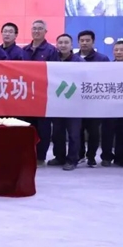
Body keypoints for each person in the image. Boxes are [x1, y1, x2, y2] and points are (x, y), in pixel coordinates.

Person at [22, 20, 58, 166]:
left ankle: (40, 157)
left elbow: (55, 72)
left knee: (43, 129)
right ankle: (27, 155)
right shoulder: (24, 50)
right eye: (34, 28)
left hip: (44, 96)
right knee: (28, 127)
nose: (36, 31)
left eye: (40, 29)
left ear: (45, 32)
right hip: (26, 95)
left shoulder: (51, 51)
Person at [47, 34, 83, 171]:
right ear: (56, 45)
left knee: (73, 133)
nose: (63, 45)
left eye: (66, 42)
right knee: (57, 132)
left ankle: (72, 160)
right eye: (60, 42)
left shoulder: (79, 61)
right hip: (57, 102)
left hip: (74, 103)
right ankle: (59, 157)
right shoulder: (52, 59)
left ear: (72, 45)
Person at [77, 30, 109, 167]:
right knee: (77, 131)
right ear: (78, 42)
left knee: (94, 132)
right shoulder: (73, 58)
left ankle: (91, 157)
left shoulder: (102, 59)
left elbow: (107, 78)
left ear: (93, 42)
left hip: (95, 102)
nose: (84, 43)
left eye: (87, 40)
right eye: (82, 40)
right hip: (76, 102)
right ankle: (79, 155)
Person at [100, 40, 123, 169]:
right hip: (109, 106)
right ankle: (106, 157)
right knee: (107, 133)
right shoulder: (106, 68)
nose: (118, 52)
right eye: (116, 50)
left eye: (122, 50)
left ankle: (121, 158)